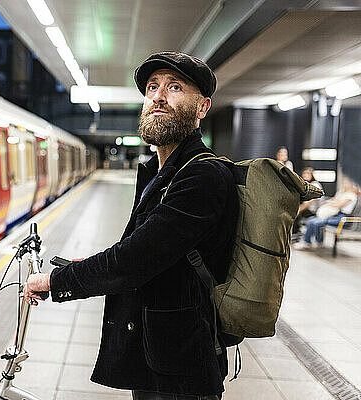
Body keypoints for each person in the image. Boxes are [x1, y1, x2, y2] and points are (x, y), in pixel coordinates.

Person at [24, 52, 239, 400]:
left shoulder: (204, 175)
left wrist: (55, 281)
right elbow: (150, 250)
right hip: (157, 351)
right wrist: (87, 266)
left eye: (175, 87)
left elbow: (135, 260)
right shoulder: (159, 172)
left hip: (182, 363)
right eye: (152, 87)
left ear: (202, 108)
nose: (158, 95)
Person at [295, 177, 359, 250]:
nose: (344, 184)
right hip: (336, 215)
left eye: (346, 183)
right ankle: (313, 242)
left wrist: (331, 202)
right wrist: (334, 201)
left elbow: (338, 205)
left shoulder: (351, 195)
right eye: (343, 183)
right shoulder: (342, 193)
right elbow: (334, 200)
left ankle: (310, 243)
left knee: (316, 222)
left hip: (343, 218)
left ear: (351, 184)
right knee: (311, 220)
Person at [292, 168, 323, 238]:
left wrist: (298, 210)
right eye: (304, 174)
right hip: (308, 209)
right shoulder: (305, 185)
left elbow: (309, 202)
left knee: (295, 213)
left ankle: (295, 233)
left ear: (312, 175)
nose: (305, 175)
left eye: (308, 174)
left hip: (314, 210)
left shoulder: (315, 185)